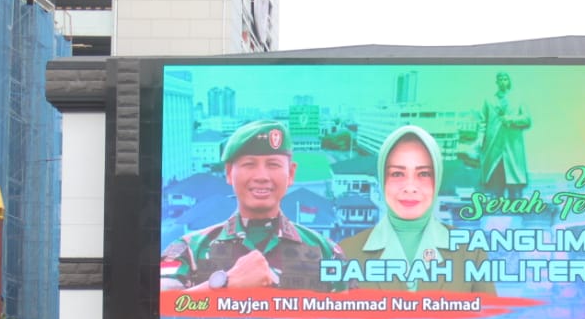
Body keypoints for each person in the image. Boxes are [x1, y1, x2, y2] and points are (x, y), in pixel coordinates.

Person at [161, 119, 343, 292]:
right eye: (249, 164)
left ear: (291, 173)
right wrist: (225, 285)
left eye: (273, 164)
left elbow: (351, 317)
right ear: (230, 173)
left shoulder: (327, 252)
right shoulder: (189, 250)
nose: (262, 176)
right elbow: (158, 309)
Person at [337, 124, 494, 294]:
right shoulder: (347, 252)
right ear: (383, 180)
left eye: (424, 174)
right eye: (397, 174)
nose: (410, 187)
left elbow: (492, 317)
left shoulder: (470, 251)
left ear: (437, 180)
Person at [477, 71, 532, 199]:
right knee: (495, 181)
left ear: (509, 81)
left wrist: (511, 119)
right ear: (496, 82)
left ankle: (515, 207)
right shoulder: (489, 100)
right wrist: (480, 139)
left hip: (512, 145)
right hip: (493, 145)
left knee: (514, 181)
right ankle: (495, 209)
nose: (503, 82)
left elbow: (526, 119)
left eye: (505, 79)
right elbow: (483, 121)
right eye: (500, 79)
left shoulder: (518, 99)